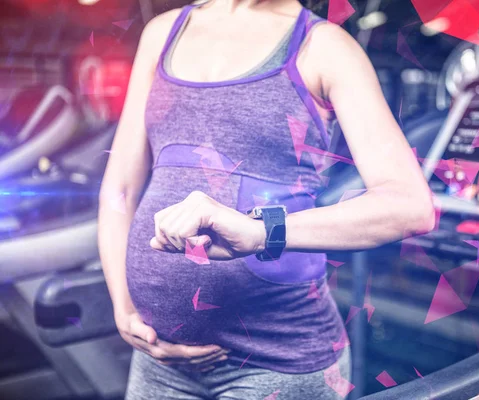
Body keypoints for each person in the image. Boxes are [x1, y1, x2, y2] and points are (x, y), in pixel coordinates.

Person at [97, 0, 435, 398]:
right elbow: (119, 187)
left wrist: (262, 231)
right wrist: (125, 305)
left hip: (277, 362)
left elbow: (409, 204)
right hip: (158, 358)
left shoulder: (324, 47)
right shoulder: (163, 32)